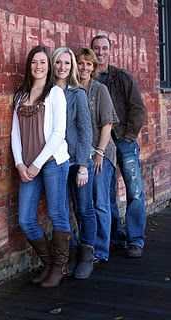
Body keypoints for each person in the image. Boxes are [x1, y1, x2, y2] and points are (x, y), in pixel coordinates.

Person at [11, 45, 71, 288]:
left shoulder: (55, 93)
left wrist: (36, 164)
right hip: (27, 166)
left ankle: (60, 267)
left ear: (49, 67)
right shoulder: (20, 95)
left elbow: (59, 133)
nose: (38, 66)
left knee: (58, 215)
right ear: (29, 65)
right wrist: (19, 163)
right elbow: (15, 133)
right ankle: (47, 262)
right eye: (35, 62)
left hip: (52, 162)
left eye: (43, 62)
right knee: (25, 219)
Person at [91, 35, 146, 258]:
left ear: (110, 51)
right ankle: (116, 236)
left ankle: (135, 240)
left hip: (123, 141)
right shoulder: (88, 79)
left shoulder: (121, 78)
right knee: (106, 193)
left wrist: (130, 136)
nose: (100, 52)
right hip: (103, 146)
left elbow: (138, 109)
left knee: (135, 191)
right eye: (96, 48)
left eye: (104, 48)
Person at [52, 47, 96, 279]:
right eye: (58, 62)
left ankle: (87, 256)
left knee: (84, 209)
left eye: (67, 63)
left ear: (72, 68)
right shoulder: (48, 92)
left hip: (77, 162)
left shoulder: (77, 93)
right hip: (56, 162)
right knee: (62, 211)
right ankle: (70, 253)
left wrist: (83, 166)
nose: (62, 67)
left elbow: (85, 130)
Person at [75, 48, 119, 263]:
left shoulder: (99, 89)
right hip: (80, 155)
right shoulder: (71, 89)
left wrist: (99, 153)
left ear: (94, 68)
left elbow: (107, 123)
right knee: (84, 204)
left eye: (89, 64)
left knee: (100, 202)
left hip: (101, 152)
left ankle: (101, 250)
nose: (84, 68)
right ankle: (87, 247)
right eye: (81, 63)